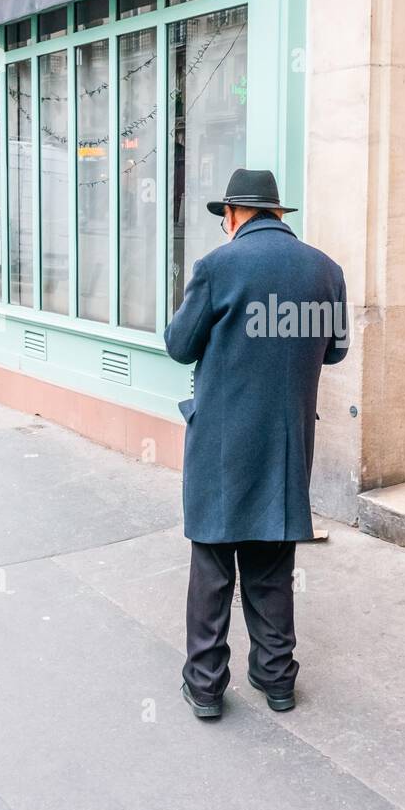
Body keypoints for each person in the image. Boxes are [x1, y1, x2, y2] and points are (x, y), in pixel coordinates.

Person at [164, 168, 349, 719]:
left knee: (214, 565)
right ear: (277, 214)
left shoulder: (218, 267)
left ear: (232, 215)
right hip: (288, 440)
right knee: (271, 562)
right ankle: (277, 680)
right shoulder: (325, 270)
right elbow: (335, 352)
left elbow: (178, 346)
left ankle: (205, 687)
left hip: (222, 442)